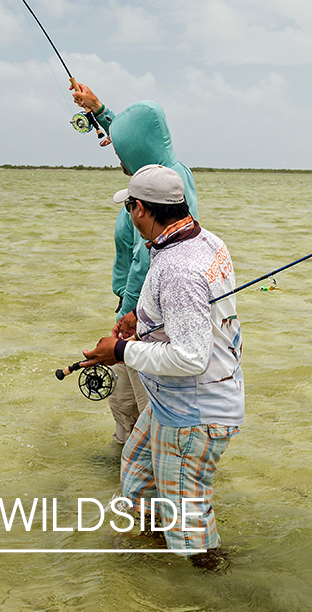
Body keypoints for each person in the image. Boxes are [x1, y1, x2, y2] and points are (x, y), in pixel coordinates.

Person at [82, 164, 243, 572]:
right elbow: (192, 316)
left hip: (193, 414)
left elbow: (190, 358)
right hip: (170, 405)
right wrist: (144, 318)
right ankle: (152, 563)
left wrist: (121, 351)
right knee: (137, 477)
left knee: (188, 524)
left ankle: (213, 585)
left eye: (130, 206)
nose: (129, 214)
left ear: (141, 209)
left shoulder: (177, 269)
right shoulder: (206, 242)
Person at [71, 81, 200, 447]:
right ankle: (120, 478)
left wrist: (127, 315)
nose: (117, 157)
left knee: (149, 415)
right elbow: (132, 138)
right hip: (131, 310)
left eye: (122, 152)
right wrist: (99, 112)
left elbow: (147, 258)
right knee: (122, 403)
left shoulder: (167, 185)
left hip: (146, 317)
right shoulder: (157, 176)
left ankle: (152, 486)